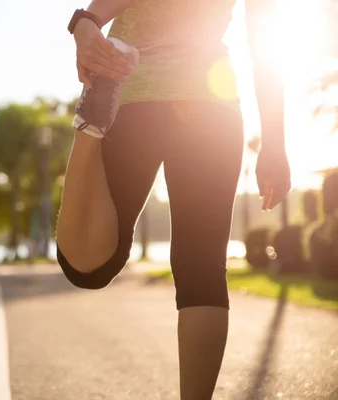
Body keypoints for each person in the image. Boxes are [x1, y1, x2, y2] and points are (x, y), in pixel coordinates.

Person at [56, 1, 291, 399]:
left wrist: (88, 19)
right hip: (210, 100)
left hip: (128, 91)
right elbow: (264, 41)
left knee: (88, 267)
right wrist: (275, 142)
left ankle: (89, 128)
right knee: (202, 272)